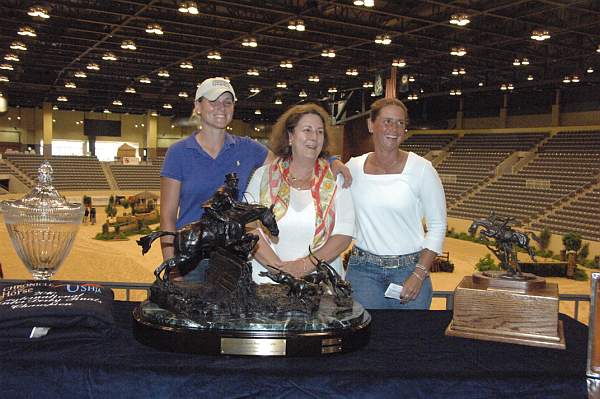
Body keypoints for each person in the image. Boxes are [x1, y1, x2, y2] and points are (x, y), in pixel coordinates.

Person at [160, 78, 351, 280]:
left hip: (232, 258)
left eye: (227, 102)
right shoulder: (178, 153)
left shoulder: (249, 148)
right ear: (198, 106)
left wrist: (329, 160)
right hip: (192, 258)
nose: (221, 108)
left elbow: (290, 162)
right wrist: (172, 269)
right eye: (213, 102)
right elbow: (167, 217)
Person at [345, 98, 447, 309]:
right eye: (387, 121)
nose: (394, 128)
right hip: (363, 272)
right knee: (366, 340)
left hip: (409, 270)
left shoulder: (422, 169)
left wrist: (419, 274)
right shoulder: (353, 168)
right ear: (371, 125)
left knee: (408, 340)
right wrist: (332, 163)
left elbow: (437, 226)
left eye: (400, 123)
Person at [246, 103, 355, 282]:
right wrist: (279, 269)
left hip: (319, 282)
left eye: (320, 132)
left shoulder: (335, 179)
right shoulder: (263, 176)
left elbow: (343, 235)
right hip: (267, 280)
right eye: (307, 130)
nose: (314, 137)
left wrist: (303, 266)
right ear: (290, 137)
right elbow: (249, 226)